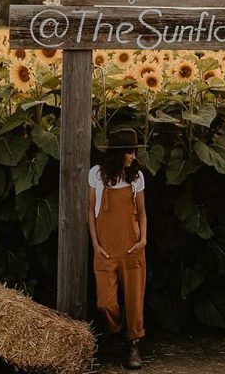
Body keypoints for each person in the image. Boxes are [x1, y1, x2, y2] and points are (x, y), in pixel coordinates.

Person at [88, 128, 148, 369]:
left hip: (133, 248)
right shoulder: (96, 175)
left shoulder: (136, 177)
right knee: (106, 302)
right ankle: (118, 330)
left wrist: (143, 240)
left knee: (134, 300)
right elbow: (91, 213)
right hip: (104, 249)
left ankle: (133, 343)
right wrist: (95, 244)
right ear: (117, 153)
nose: (133, 156)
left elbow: (142, 212)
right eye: (129, 152)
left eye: (134, 151)